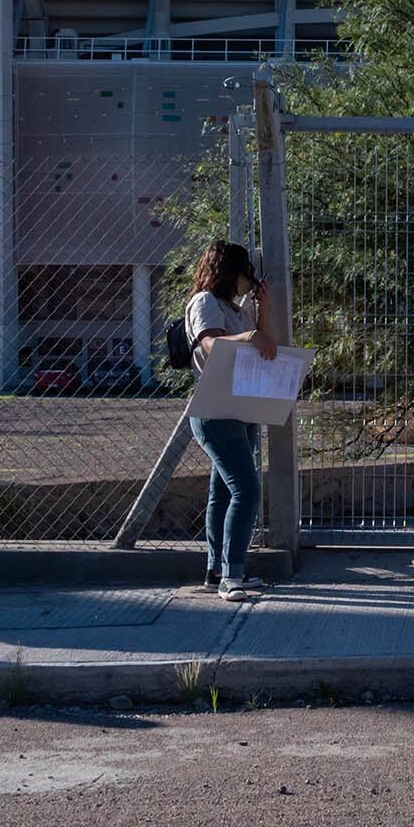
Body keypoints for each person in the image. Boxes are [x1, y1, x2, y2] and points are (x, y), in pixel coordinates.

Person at [182, 240, 281, 603]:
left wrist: (262, 314)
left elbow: (262, 345)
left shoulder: (236, 309)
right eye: (245, 273)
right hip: (215, 411)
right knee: (247, 489)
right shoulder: (204, 302)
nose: (249, 280)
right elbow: (211, 344)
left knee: (223, 492)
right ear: (229, 271)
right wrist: (251, 334)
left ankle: (215, 570)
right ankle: (231, 575)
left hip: (241, 408)